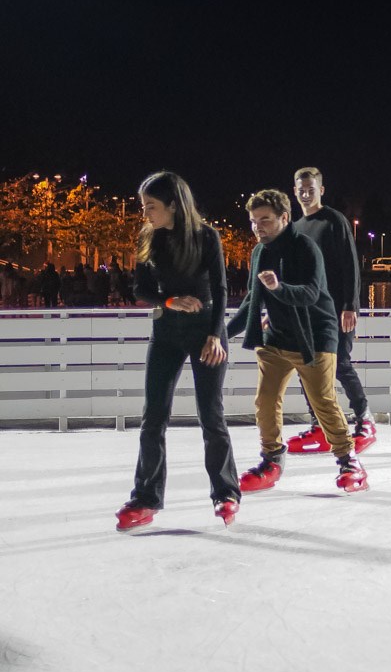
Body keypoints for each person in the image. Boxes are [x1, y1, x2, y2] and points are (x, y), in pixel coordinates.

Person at [115, 172, 242, 531]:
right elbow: (140, 288)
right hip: (166, 333)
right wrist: (169, 300)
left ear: (173, 204)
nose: (146, 214)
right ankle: (146, 497)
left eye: (151, 206)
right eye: (144, 207)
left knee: (210, 415)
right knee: (153, 416)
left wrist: (216, 336)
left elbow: (220, 288)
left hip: (206, 334)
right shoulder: (149, 237)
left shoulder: (205, 237)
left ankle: (225, 492)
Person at [226, 190, 368, 494]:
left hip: (315, 336)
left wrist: (278, 288)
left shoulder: (306, 248)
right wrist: (221, 335)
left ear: (284, 218)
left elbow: (311, 293)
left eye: (265, 220)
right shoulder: (259, 253)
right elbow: (252, 300)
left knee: (323, 400)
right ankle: (272, 459)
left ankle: (349, 460)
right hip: (276, 336)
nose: (258, 227)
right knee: (265, 400)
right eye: (253, 221)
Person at [286, 167, 375, 456]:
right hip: (307, 311)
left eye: (311, 188)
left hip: (336, 309)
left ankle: (365, 420)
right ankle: (319, 424)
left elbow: (351, 265)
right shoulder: (296, 227)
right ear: (295, 189)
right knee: (306, 366)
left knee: (340, 364)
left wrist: (350, 305)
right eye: (301, 188)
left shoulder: (335, 221)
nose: (306, 193)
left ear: (321, 190)